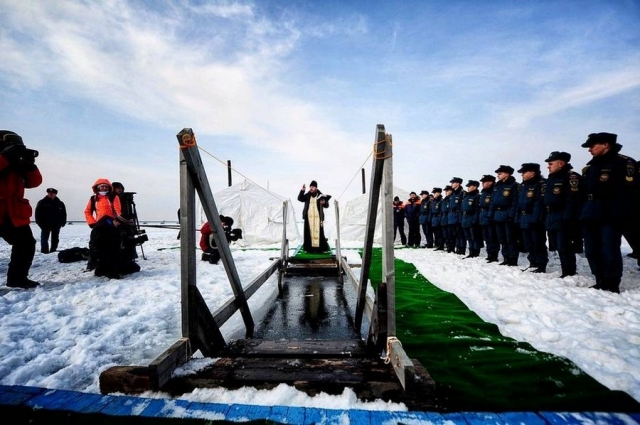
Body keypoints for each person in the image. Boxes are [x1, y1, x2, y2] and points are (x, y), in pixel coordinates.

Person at [579, 132, 637, 293]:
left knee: (609, 249)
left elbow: (630, 191)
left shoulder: (624, 163)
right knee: (591, 249)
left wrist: (623, 214)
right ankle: (600, 278)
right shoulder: (592, 166)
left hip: (612, 214)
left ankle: (611, 283)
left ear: (606, 144)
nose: (589, 150)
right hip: (591, 213)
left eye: (592, 146)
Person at [0, 130, 43, 288]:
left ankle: (17, 278)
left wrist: (30, 165)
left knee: (26, 244)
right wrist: (5, 157)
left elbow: (35, 182)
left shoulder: (16, 164)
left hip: (14, 213)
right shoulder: (4, 160)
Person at [543, 151, 584, 278]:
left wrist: (568, 219)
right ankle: (565, 270)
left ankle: (569, 272)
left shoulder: (571, 177)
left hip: (563, 216)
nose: (548, 166)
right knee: (558, 246)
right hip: (552, 216)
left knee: (565, 246)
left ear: (560, 163)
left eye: (551, 163)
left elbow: (573, 200)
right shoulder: (552, 178)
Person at [84, 178, 124, 279]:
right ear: (97, 188)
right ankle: (100, 269)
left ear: (109, 187)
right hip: (99, 226)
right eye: (102, 186)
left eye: (106, 186)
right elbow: (87, 212)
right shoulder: (93, 199)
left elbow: (118, 211)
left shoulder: (114, 197)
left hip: (112, 225)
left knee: (113, 249)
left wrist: (118, 221)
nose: (104, 188)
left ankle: (112, 271)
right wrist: (92, 223)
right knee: (99, 248)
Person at [515, 163, 548, 273]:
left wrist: (535, 219)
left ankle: (541, 264)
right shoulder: (524, 186)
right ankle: (533, 262)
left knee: (538, 242)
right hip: (524, 218)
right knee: (528, 243)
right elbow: (519, 203)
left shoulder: (540, 185)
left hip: (535, 219)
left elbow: (539, 204)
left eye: (524, 172)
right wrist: (517, 218)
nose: (522, 175)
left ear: (532, 173)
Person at [489, 165, 520, 266]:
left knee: (510, 238)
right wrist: (491, 214)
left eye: (500, 173)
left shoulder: (514, 185)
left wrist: (511, 215)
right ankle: (506, 257)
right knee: (502, 238)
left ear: (507, 174)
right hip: (498, 215)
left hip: (507, 215)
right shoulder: (497, 186)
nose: (498, 175)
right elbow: (493, 201)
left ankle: (513, 259)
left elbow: (515, 202)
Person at [297, 180, 330, 253]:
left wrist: (324, 202)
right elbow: (300, 199)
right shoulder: (308, 195)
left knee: (319, 233)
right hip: (309, 218)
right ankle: (310, 249)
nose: (311, 188)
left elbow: (327, 205)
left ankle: (319, 249)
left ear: (316, 187)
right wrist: (302, 191)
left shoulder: (320, 195)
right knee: (309, 233)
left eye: (313, 187)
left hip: (318, 218)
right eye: (310, 187)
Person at [35, 187, 67, 254]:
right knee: (44, 238)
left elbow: (64, 214)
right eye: (49, 193)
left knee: (55, 239)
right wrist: (40, 224)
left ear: (55, 194)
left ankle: (53, 250)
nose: (51, 194)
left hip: (56, 224)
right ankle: (44, 251)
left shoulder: (60, 203)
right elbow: (37, 214)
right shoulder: (42, 203)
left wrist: (63, 222)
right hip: (45, 225)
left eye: (52, 193)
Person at [478, 174, 499, 263]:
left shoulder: (493, 191)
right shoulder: (484, 192)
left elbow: (492, 204)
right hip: (483, 216)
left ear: (490, 182)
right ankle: (489, 253)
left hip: (490, 216)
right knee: (486, 237)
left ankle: (494, 255)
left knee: (492, 237)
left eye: (484, 182)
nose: (482, 184)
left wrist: (490, 216)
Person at [461, 180, 482, 258]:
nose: (468, 188)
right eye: (468, 186)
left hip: (472, 217)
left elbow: (477, 209)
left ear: (475, 187)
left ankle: (475, 251)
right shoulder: (466, 196)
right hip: (465, 218)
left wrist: (475, 220)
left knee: (474, 236)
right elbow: (462, 209)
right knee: (468, 237)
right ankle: (471, 250)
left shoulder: (477, 196)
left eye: (470, 186)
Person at [447, 177, 466, 255]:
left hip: (458, 215)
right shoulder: (453, 193)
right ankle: (458, 247)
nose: (452, 184)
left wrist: (460, 217)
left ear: (458, 183)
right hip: (452, 216)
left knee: (460, 234)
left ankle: (462, 248)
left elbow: (463, 206)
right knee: (456, 234)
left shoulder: (462, 193)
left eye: (453, 183)